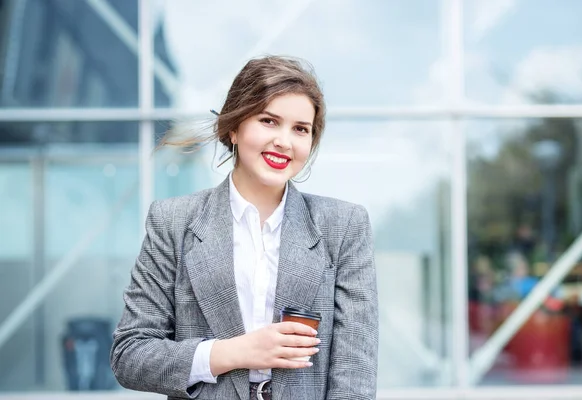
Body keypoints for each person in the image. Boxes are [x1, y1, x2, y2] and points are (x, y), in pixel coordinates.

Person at [109, 55, 379, 400]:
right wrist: (234, 352)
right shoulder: (173, 222)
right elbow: (130, 355)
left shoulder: (344, 227)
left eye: (301, 129)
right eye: (269, 121)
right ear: (234, 128)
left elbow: (354, 375)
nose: (284, 141)